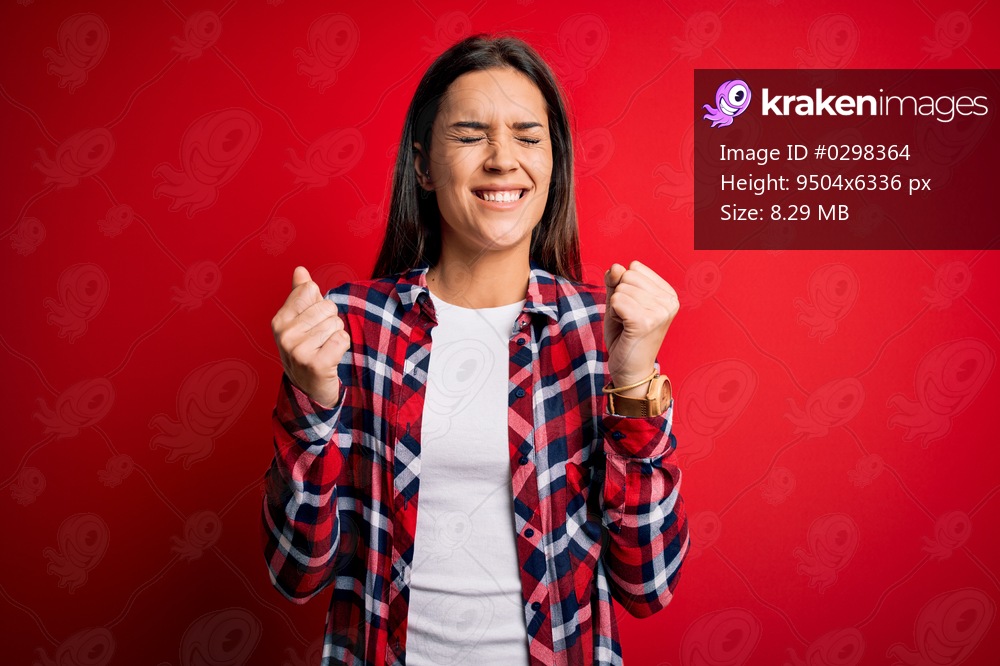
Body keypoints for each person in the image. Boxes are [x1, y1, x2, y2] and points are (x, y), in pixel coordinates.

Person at [261, 33, 688, 666]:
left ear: (554, 167)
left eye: (527, 136)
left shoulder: (601, 331)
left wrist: (633, 382)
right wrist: (312, 403)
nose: (501, 159)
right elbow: (296, 571)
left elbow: (647, 584)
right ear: (423, 166)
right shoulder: (350, 327)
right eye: (468, 135)